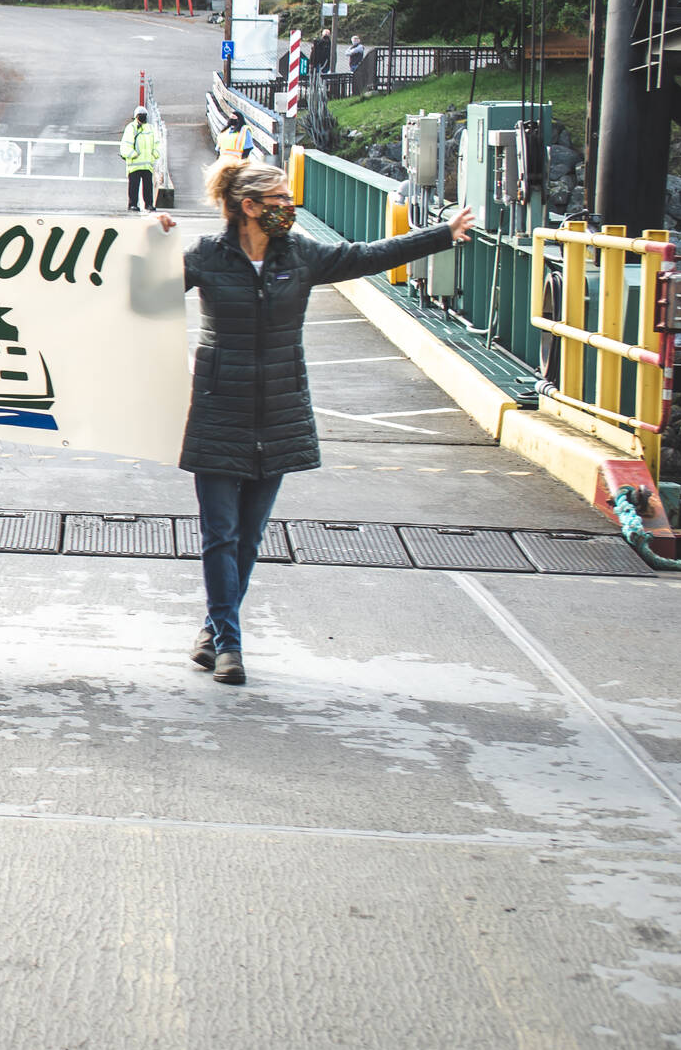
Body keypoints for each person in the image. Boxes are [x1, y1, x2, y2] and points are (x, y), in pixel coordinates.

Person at [155, 160, 474, 685]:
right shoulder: (206, 257)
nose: (290, 206)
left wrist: (441, 234)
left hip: (279, 413)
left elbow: (369, 256)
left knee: (248, 538)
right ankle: (230, 645)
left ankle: (214, 630)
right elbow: (141, 294)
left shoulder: (299, 255)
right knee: (220, 534)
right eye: (279, 199)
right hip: (218, 410)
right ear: (248, 206)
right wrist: (154, 241)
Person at [120, 105, 160, 212]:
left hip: (147, 164)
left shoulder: (150, 128)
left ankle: (149, 204)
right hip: (135, 164)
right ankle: (133, 204)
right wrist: (133, 154)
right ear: (136, 117)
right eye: (141, 115)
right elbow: (125, 145)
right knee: (134, 186)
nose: (143, 117)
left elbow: (156, 143)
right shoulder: (131, 128)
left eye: (144, 115)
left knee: (148, 186)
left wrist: (155, 154)